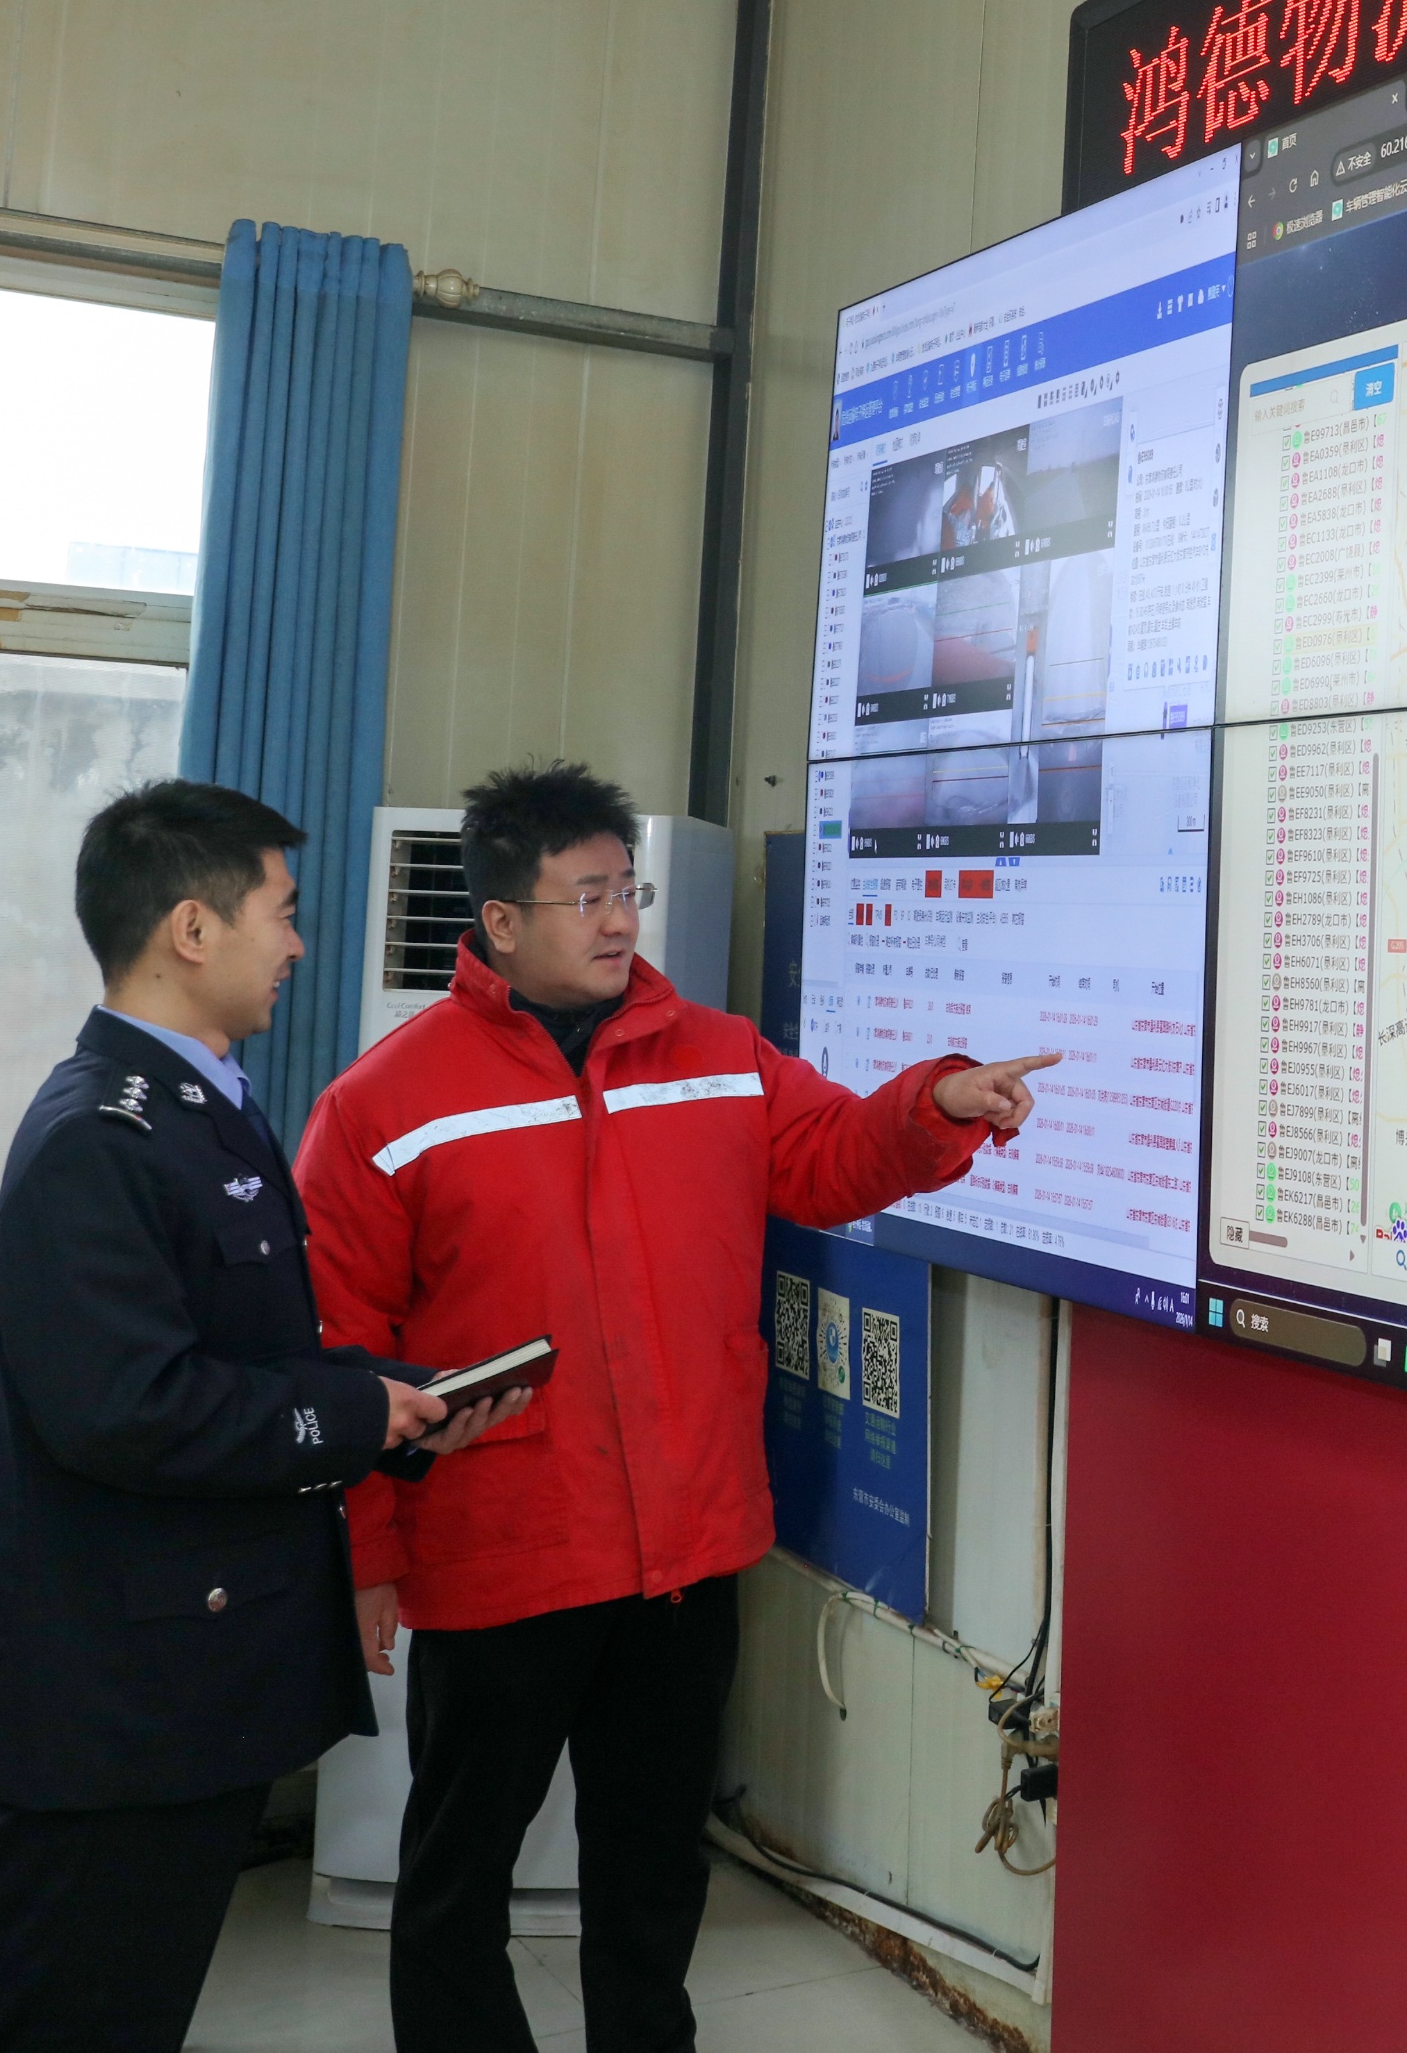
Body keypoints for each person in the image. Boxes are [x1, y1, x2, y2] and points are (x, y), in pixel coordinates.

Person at [295, 761, 1053, 2053]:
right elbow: (335, 1351)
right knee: (459, 1869)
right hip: (502, 1551)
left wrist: (933, 1103)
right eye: (584, 895)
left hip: (684, 1553)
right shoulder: (385, 1103)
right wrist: (364, 1550)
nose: (617, 919)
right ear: (499, 920)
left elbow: (830, 1156)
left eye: (625, 890)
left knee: (651, 1870)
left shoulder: (714, 1054)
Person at [0, 782, 526, 2053]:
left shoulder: (200, 1103)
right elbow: (130, 1408)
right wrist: (355, 1412)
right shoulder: (101, 1134)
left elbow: (247, 1353)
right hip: (120, 1704)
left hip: (191, 1684)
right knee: (60, 2023)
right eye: (283, 910)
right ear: (193, 928)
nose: (299, 942)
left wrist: (396, 1404)